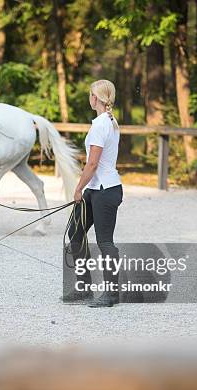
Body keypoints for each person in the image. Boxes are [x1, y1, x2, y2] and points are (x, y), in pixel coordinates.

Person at [63, 80, 123, 308]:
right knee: (75, 233)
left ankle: (111, 294)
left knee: (105, 242)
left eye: (90, 95)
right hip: (96, 189)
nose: (90, 98)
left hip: (105, 190)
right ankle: (84, 288)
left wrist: (78, 189)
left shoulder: (101, 125)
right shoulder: (108, 121)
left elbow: (93, 164)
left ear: (95, 98)